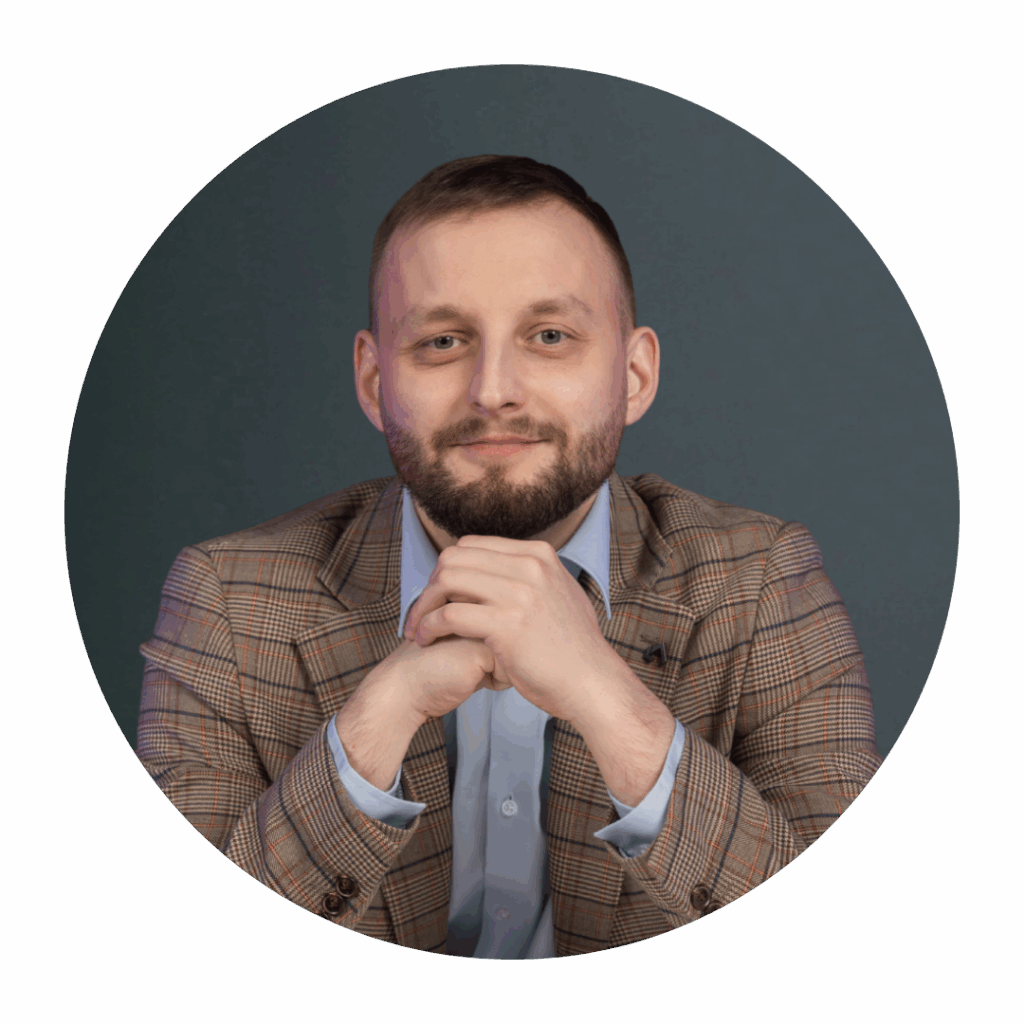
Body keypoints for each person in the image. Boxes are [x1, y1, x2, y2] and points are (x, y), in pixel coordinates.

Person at [136, 154, 882, 958]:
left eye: (550, 336)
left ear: (634, 375)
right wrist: (378, 720)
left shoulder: (765, 582)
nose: (493, 390)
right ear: (374, 380)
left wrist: (606, 697)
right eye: (442, 341)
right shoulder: (227, 599)